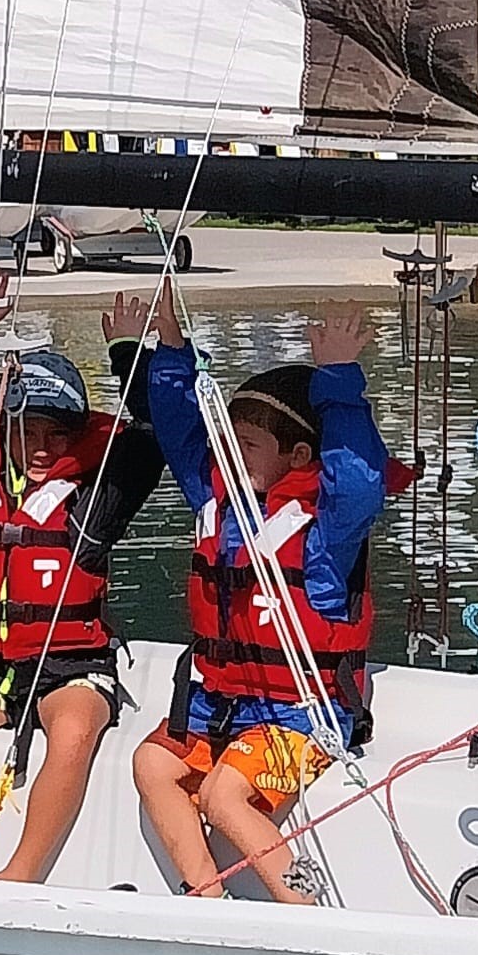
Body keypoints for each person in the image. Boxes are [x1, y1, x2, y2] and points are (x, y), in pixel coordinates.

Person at [0, 285, 166, 883]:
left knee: (71, 734)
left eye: (59, 434)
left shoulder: (97, 499)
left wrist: (127, 352)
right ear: (5, 426)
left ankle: (20, 876)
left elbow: (152, 436)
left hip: (72, 669)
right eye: (30, 430)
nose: (44, 447)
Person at [133, 300, 393, 902]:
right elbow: (178, 429)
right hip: (219, 708)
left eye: (246, 445)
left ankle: (305, 910)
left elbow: (357, 480)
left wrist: (337, 380)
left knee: (224, 795)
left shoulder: (325, 535)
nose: (229, 455)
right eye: (229, 441)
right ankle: (205, 898)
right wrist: (171, 351)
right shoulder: (217, 503)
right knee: (153, 765)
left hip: (304, 720)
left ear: (298, 458)